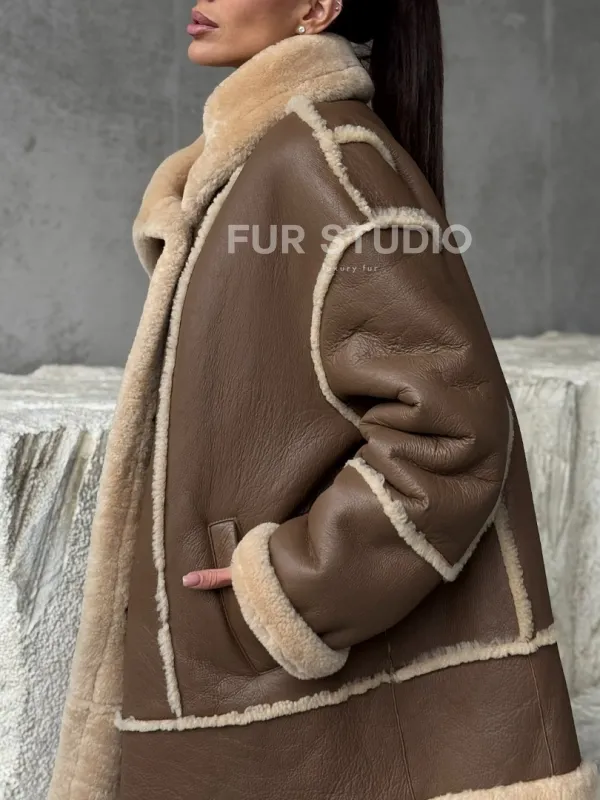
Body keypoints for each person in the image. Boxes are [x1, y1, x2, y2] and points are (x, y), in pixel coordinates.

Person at [49, 2, 598, 799]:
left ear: (317, 8)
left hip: (281, 708)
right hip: (258, 697)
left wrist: (288, 589)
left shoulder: (321, 159)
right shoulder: (268, 158)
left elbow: (454, 427)